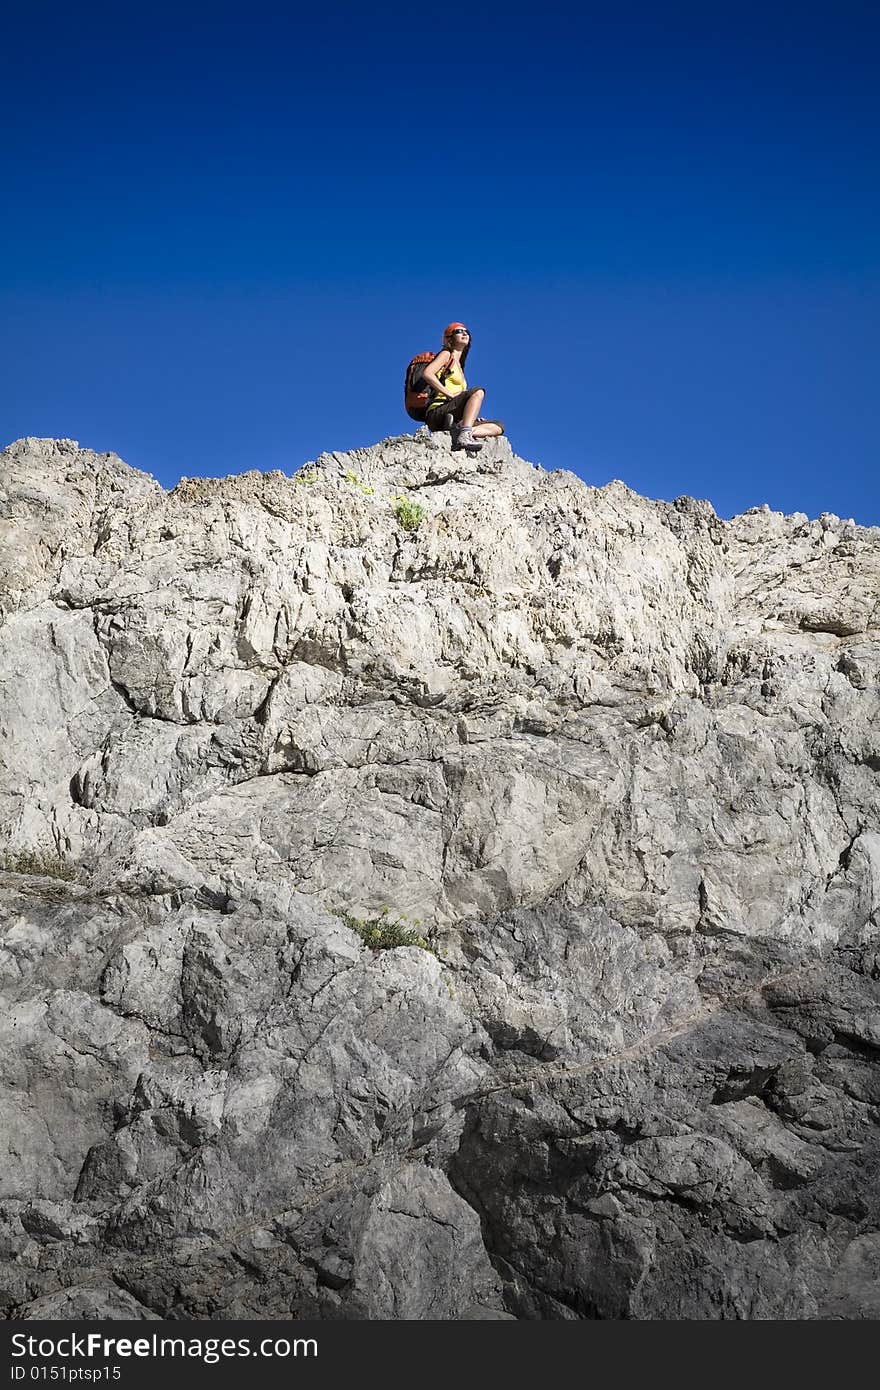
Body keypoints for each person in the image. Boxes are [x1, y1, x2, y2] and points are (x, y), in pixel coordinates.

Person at [421, 323, 505, 453]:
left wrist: (470, 417)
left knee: (498, 427)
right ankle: (464, 435)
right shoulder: (446, 355)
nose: (465, 333)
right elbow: (427, 374)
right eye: (459, 331)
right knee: (478, 391)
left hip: (453, 415)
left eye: (467, 332)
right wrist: (449, 394)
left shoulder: (460, 367)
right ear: (449, 338)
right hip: (438, 412)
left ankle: (465, 429)